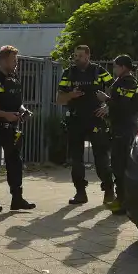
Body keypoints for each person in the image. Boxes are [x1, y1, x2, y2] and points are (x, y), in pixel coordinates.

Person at [0, 45, 36, 213]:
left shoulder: (13, 77)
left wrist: (23, 111)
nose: (16, 63)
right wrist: (5, 115)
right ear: (3, 60)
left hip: (11, 128)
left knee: (15, 163)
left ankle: (17, 199)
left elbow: (17, 103)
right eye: (13, 60)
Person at [56, 44, 113, 206]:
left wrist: (108, 105)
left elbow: (115, 90)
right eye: (75, 56)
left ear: (88, 56)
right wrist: (70, 95)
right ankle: (80, 192)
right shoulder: (69, 73)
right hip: (75, 120)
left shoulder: (99, 71)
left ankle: (109, 191)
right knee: (76, 159)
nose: (76, 59)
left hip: (96, 118)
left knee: (101, 157)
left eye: (80, 56)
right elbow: (59, 99)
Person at [99, 55, 138, 215]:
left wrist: (106, 99)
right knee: (117, 162)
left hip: (125, 127)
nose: (113, 69)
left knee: (121, 163)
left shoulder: (129, 82)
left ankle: (124, 201)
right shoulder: (122, 81)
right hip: (119, 126)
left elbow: (123, 104)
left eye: (115, 66)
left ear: (123, 67)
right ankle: (121, 199)